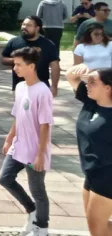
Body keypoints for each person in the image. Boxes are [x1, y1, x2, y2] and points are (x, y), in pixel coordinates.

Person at [0, 47, 53, 236]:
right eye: (15, 64)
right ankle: (31, 210)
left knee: (37, 189)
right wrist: (9, 138)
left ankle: (41, 227)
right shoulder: (21, 87)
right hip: (19, 145)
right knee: (5, 178)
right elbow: (18, 115)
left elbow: (45, 125)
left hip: (35, 150)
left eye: (19, 65)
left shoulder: (42, 91)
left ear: (31, 66)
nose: (15, 68)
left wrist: (40, 155)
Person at [68, 64, 112, 236]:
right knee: (95, 225)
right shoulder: (91, 103)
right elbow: (71, 77)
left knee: (97, 229)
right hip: (91, 173)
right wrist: (84, 70)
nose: (87, 84)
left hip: (108, 176)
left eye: (93, 82)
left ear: (108, 87)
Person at [2, 16, 60, 97]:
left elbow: (55, 66)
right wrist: (18, 61)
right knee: (20, 109)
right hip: (19, 86)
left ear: (37, 28)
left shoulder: (48, 44)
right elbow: (3, 59)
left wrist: (54, 86)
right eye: (23, 24)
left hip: (41, 86)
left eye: (28, 25)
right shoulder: (14, 42)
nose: (24, 27)